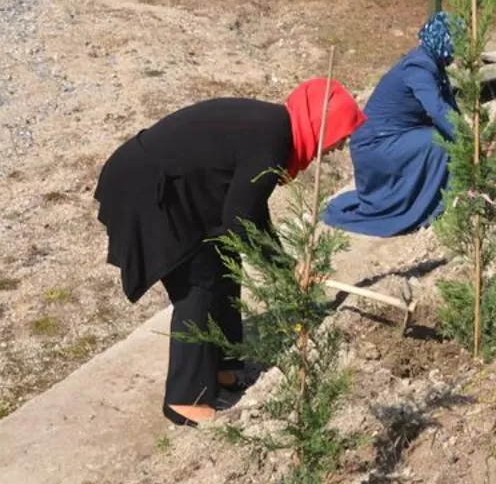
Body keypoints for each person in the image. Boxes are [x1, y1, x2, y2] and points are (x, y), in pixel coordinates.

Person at [94, 79, 366, 428]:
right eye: (339, 137)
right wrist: (284, 269)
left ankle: (223, 364)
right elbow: (241, 218)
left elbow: (247, 208)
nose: (337, 148)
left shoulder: (276, 131)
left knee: (225, 261)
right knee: (199, 279)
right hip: (146, 188)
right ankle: (184, 398)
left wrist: (285, 266)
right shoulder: (273, 140)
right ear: (319, 125)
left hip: (176, 189)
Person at [323, 12, 463, 237]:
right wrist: (466, 141)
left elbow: (450, 109)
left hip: (390, 137)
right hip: (376, 143)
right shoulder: (418, 69)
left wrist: (472, 132)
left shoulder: (431, 66)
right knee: (436, 141)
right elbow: (437, 110)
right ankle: (432, 207)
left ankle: (430, 198)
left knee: (439, 136)